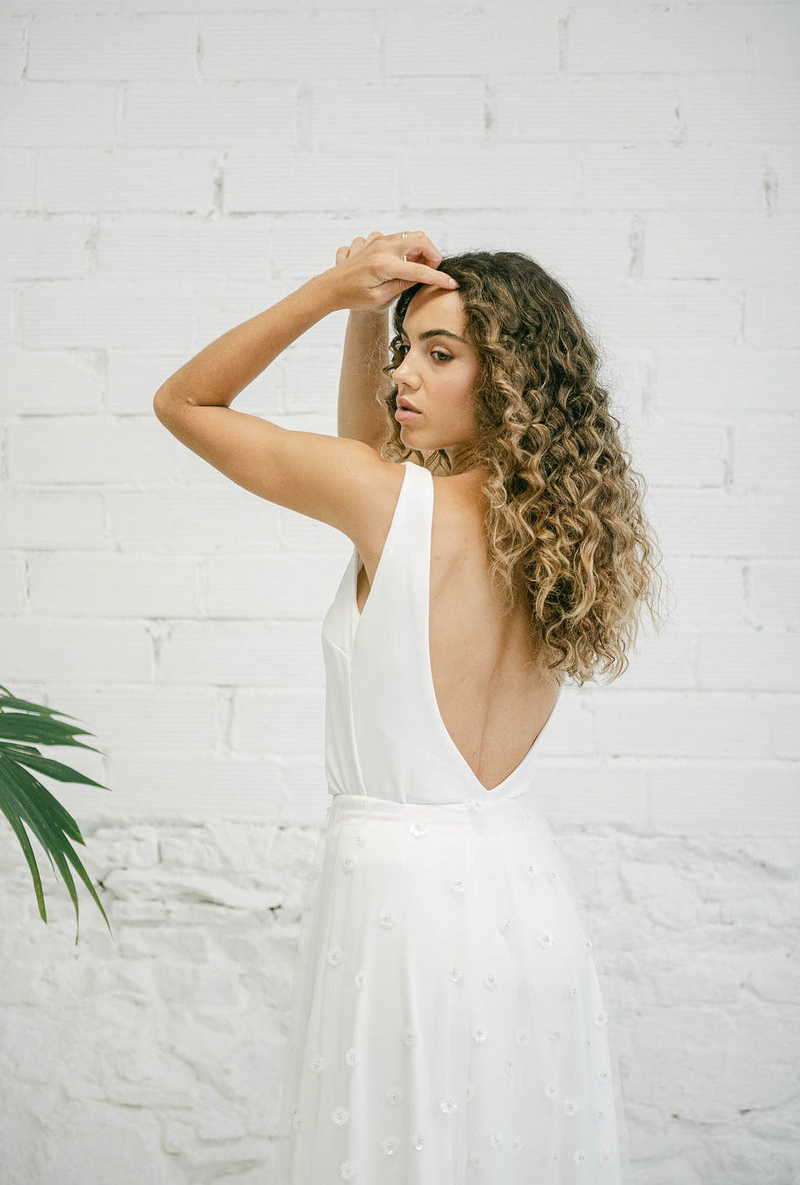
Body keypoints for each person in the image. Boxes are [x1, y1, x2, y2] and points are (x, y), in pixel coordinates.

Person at [153, 230, 666, 1182]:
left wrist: (326, 291)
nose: (407, 376)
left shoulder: (389, 506)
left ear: (507, 377)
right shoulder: (552, 534)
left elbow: (182, 402)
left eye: (440, 353)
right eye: (404, 351)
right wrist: (366, 319)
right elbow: (373, 453)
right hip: (524, 904)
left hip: (404, 916)